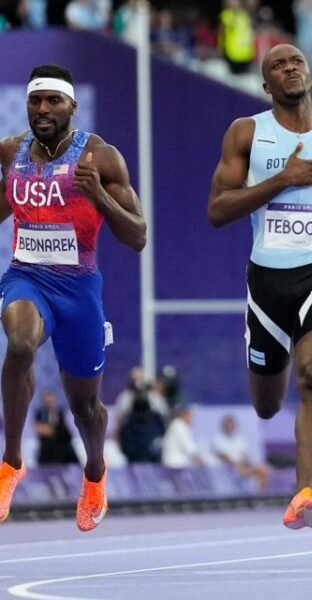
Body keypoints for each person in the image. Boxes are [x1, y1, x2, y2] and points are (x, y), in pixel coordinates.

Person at [207, 44, 312, 529]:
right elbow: (217, 210)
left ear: (310, 73)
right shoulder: (247, 133)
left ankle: (305, 495)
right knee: (267, 404)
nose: (289, 68)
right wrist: (285, 178)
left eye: (296, 61)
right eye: (277, 65)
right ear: (266, 85)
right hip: (267, 285)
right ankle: (260, 353)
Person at [0, 64, 147, 531]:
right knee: (20, 344)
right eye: (35, 100)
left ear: (72, 107)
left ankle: (95, 473)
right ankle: (11, 462)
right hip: (27, 276)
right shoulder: (12, 152)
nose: (43, 109)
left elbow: (138, 235)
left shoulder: (101, 158)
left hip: (79, 289)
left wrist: (98, 195)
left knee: (86, 409)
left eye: (53, 101)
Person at [212, 414, 270, 491]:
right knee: (243, 471)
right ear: (224, 426)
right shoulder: (218, 439)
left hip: (242, 465)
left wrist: (245, 463)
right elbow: (223, 456)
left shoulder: (239, 439)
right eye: (228, 425)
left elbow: (245, 455)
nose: (230, 427)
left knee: (263, 470)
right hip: (229, 468)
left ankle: (260, 495)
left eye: (232, 425)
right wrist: (237, 465)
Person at [33, 389, 79, 465]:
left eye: (50, 400)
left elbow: (59, 430)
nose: (49, 402)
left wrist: (50, 429)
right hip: (47, 448)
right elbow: (39, 428)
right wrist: (49, 429)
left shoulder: (59, 413)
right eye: (47, 400)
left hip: (61, 447)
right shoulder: (40, 413)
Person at [161, 404, 203, 468]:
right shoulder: (179, 426)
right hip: (175, 465)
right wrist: (201, 462)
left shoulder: (177, 425)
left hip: (175, 464)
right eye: (190, 416)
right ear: (184, 415)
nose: (192, 419)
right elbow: (189, 447)